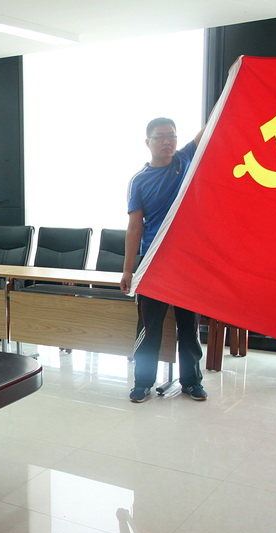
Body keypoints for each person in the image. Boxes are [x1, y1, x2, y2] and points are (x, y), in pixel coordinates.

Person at [120, 117, 206, 403]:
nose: (167, 142)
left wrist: (233, 89)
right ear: (148, 142)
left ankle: (192, 382)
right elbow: (135, 227)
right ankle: (142, 383)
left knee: (189, 326)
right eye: (160, 137)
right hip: (153, 263)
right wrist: (128, 270)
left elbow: (209, 128)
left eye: (172, 136)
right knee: (149, 327)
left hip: (188, 262)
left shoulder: (184, 159)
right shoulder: (139, 180)